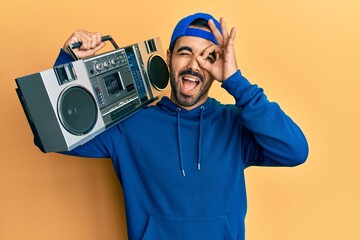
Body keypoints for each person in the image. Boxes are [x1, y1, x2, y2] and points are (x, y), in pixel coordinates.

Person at [53, 12, 308, 240]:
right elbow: (56, 135)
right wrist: (68, 61)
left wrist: (235, 81)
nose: (194, 65)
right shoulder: (131, 124)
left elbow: (295, 150)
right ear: (168, 58)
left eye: (208, 57)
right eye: (185, 52)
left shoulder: (235, 123)